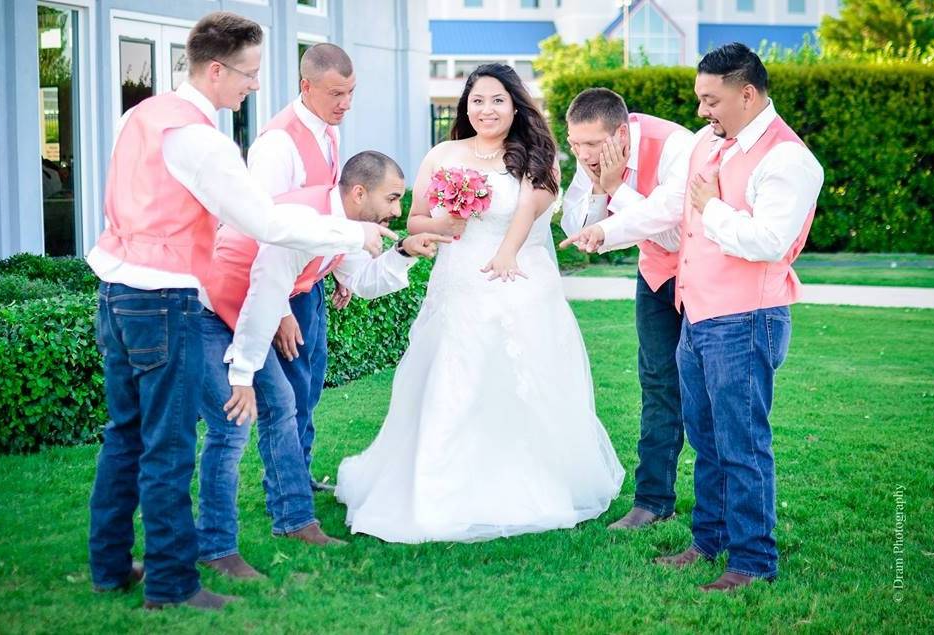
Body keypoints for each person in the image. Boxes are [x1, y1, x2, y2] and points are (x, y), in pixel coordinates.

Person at [85, 12, 391, 610]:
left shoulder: (140, 114)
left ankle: (111, 566)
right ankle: (174, 584)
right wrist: (356, 237)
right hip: (163, 298)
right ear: (217, 69)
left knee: (123, 436)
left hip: (114, 289)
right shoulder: (200, 139)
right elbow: (266, 222)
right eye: (249, 74)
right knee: (167, 445)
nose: (255, 87)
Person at [335, 63, 625, 543]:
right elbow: (416, 221)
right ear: (464, 106)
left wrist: (505, 251)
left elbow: (533, 211)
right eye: (477, 100)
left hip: (523, 286)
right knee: (457, 381)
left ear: (515, 105)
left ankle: (530, 482)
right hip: (461, 284)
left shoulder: (538, 155)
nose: (486, 110)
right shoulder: (444, 154)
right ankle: (444, 488)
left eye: (496, 100)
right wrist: (446, 225)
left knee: (523, 382)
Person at [197, 152, 449, 577]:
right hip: (209, 313)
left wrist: (403, 252)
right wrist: (241, 373)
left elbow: (363, 281)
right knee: (231, 428)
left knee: (282, 407)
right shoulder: (302, 219)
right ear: (358, 193)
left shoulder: (342, 227)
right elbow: (263, 295)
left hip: (244, 311)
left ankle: (295, 521)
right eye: (390, 199)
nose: (396, 210)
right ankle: (217, 547)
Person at [653, 42, 823, 592]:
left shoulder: (788, 159)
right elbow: (673, 213)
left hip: (748, 318)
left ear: (746, 93)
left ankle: (752, 561)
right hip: (697, 313)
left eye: (711, 100)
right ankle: (709, 541)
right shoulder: (707, 142)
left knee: (742, 442)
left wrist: (712, 208)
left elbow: (770, 241)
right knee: (704, 436)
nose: (702, 111)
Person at [559, 88, 694, 530]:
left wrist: (616, 190)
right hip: (655, 274)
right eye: (575, 145)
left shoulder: (677, 145)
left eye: (592, 145)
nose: (582, 154)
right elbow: (576, 224)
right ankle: (653, 500)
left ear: (620, 133)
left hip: (703, 275)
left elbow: (674, 221)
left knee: (710, 392)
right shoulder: (590, 154)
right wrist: (601, 189)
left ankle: (726, 503)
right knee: (657, 383)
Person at [245, 43, 356, 497]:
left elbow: (325, 211)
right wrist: (279, 312)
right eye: (336, 93)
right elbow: (264, 231)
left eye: (351, 92)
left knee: (307, 389)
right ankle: (286, 490)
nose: (345, 103)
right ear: (305, 86)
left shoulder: (327, 130)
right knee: (288, 397)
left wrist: (339, 266)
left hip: (309, 285)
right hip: (282, 293)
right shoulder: (277, 144)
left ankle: (299, 477)